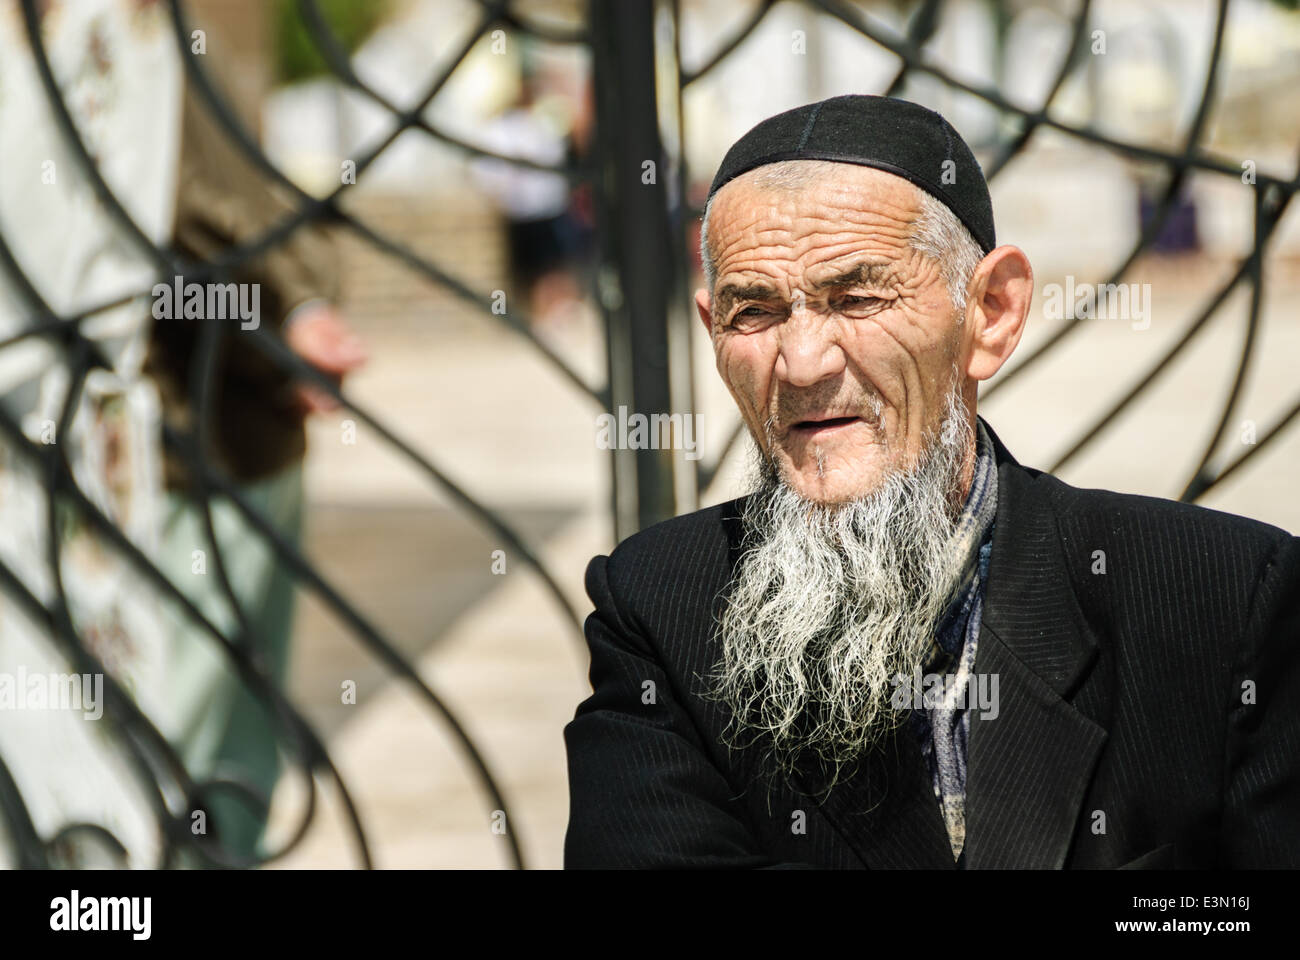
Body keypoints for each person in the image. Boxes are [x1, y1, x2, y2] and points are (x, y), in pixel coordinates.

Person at [563, 94, 1300, 869]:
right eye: (756, 311)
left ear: (991, 312)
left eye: (857, 298)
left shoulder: (1220, 598)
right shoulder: (659, 609)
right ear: (714, 330)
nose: (804, 362)